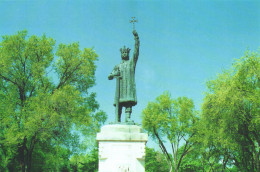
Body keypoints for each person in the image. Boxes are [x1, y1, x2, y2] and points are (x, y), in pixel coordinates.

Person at [108, 30, 140, 123]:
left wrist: (136, 38)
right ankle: (117, 119)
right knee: (119, 103)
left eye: (126, 53)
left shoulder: (131, 63)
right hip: (120, 88)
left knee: (128, 102)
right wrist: (112, 75)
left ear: (128, 54)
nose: (124, 54)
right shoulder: (118, 66)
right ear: (121, 54)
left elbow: (136, 51)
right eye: (123, 53)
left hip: (128, 87)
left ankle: (127, 118)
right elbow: (110, 75)